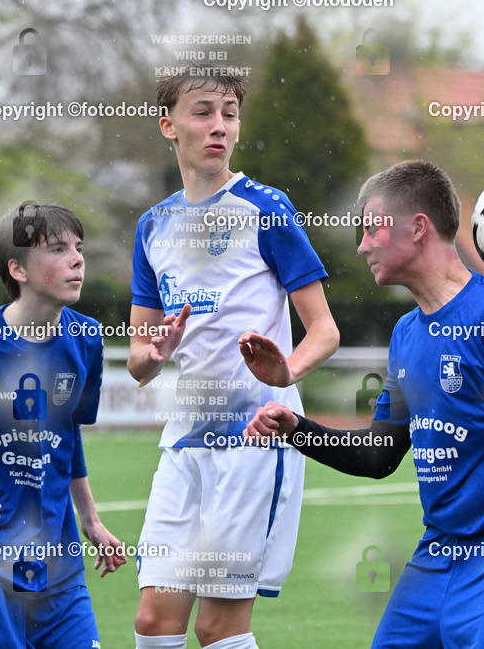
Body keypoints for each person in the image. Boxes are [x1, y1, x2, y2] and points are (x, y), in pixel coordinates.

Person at [244, 159, 484, 648]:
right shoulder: (406, 334)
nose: (363, 245)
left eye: (373, 229)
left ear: (418, 227)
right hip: (436, 554)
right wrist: (295, 429)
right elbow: (379, 454)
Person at [128, 67, 340, 649]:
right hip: (184, 441)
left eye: (229, 114)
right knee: (154, 623)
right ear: (168, 126)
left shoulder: (266, 208)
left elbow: (324, 331)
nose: (219, 126)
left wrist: (287, 372)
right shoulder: (152, 227)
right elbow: (139, 361)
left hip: (254, 440)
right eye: (203, 112)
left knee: (217, 628)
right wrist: (156, 352)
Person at [0, 202, 126, 647]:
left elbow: (67, 434)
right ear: (18, 269)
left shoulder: (87, 339)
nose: (77, 259)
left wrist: (91, 520)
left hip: (58, 568)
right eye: (58, 249)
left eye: (79, 247)